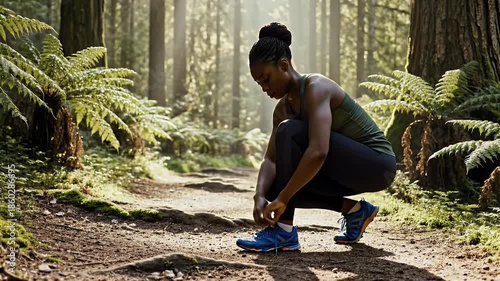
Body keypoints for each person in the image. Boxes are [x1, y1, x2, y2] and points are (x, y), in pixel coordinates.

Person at [236, 22, 396, 253]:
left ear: (283, 65)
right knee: (275, 183)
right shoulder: (282, 110)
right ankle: (355, 211)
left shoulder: (316, 87)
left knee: (288, 133)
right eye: (259, 83)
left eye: (266, 78)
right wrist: (260, 196)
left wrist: (283, 198)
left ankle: (283, 232)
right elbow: (270, 160)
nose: (264, 88)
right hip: (342, 168)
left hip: (378, 164)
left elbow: (318, 150)